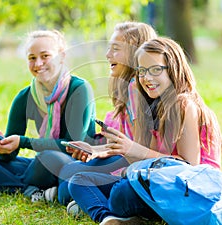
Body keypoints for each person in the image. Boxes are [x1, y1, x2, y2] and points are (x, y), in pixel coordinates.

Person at [68, 37, 222, 224]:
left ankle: (113, 209)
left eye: (156, 70)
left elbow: (188, 167)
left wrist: (132, 149)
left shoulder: (183, 104)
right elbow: (148, 161)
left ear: (174, 69)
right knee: (78, 180)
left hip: (190, 192)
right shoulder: (153, 106)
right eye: (142, 71)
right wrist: (102, 150)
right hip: (159, 183)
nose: (147, 78)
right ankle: (110, 219)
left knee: (120, 194)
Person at [32, 21, 158, 205]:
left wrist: (101, 156)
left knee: (68, 181)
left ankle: (89, 196)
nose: (108, 55)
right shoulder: (128, 88)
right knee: (68, 174)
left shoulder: (136, 89)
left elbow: (137, 150)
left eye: (115, 49)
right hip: (126, 160)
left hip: (137, 166)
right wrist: (95, 151)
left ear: (134, 52)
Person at [0, 29, 95, 199]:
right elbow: (10, 156)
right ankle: (29, 190)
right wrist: (3, 148)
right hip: (39, 167)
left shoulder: (79, 89)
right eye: (32, 58)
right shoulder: (25, 97)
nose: (38, 64)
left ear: (61, 56)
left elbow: (73, 145)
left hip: (73, 165)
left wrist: (23, 142)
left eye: (45, 56)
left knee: (47, 158)